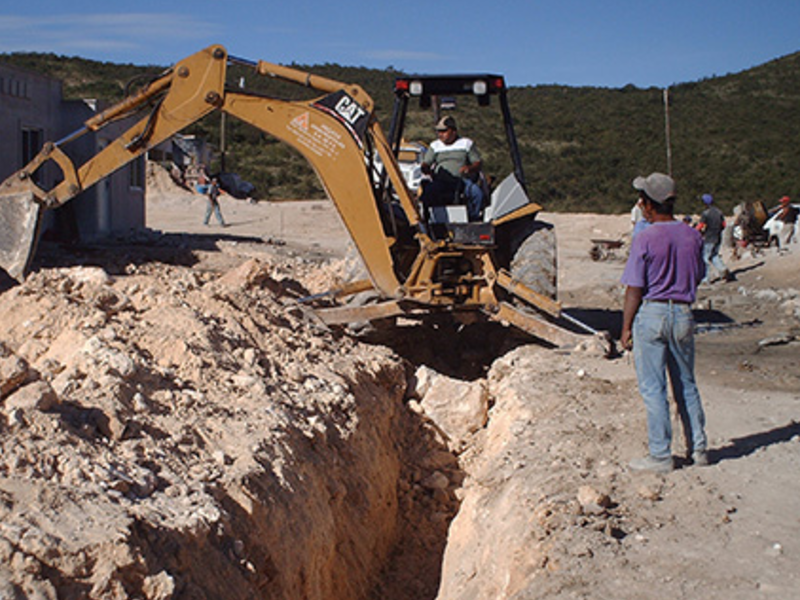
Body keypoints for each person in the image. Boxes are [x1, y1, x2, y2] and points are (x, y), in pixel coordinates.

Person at [620, 172, 708, 474]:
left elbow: (634, 288)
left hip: (652, 314)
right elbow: (698, 275)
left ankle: (660, 455)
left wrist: (625, 328)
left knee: (653, 388)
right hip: (683, 313)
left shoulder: (644, 237)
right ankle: (698, 449)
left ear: (647, 205)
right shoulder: (692, 235)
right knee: (686, 383)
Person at [419, 116, 484, 221]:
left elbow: (477, 163)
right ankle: (428, 219)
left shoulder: (466, 143)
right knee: (428, 192)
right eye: (439, 131)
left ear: (453, 131)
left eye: (444, 131)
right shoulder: (435, 146)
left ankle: (473, 218)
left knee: (476, 193)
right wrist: (426, 169)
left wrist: (469, 168)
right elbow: (426, 163)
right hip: (441, 181)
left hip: (462, 181)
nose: (440, 134)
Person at [697, 193, 731, 283]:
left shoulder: (706, 213)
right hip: (718, 237)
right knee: (714, 255)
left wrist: (695, 231)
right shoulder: (719, 212)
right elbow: (724, 225)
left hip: (709, 237)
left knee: (705, 258)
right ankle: (722, 269)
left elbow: (700, 225)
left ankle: (705, 278)